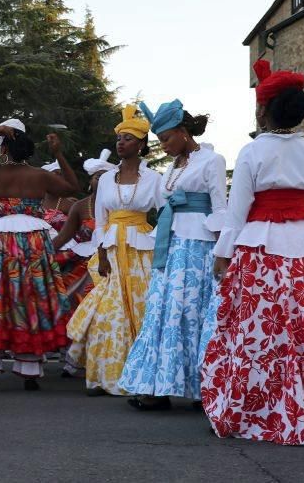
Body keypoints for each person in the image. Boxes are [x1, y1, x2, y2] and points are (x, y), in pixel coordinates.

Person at [201, 60, 304, 445]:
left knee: (262, 333)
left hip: (261, 252)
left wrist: (222, 256)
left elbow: (237, 213)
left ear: (262, 109)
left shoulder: (252, 152)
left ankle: (262, 409)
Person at [0, 118, 78, 391]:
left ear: (4, 148)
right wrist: (58, 153)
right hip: (34, 243)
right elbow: (72, 187)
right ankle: (30, 368)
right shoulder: (40, 176)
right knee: (29, 302)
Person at [116, 100, 227, 410]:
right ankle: (157, 387)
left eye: (166, 139)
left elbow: (220, 207)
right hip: (172, 243)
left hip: (199, 245)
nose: (163, 146)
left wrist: (223, 252)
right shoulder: (173, 167)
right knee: (163, 313)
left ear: (182, 131)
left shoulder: (212, 160)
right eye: (160, 140)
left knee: (193, 316)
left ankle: (201, 388)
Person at [65, 105, 162, 396]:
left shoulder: (154, 179)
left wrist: (155, 240)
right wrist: (103, 254)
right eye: (119, 138)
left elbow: (166, 213)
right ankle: (103, 374)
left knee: (142, 308)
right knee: (109, 311)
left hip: (141, 249)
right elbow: (100, 221)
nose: (121, 143)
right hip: (110, 250)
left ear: (141, 144)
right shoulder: (106, 179)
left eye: (128, 138)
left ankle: (140, 377)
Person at [52, 150, 116, 313]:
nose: (101, 181)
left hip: (113, 261)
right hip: (82, 264)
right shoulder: (79, 206)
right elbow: (64, 237)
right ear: (90, 181)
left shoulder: (120, 205)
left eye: (105, 177)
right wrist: (41, 251)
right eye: (97, 177)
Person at [41, 160, 77, 232]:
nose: (59, 177)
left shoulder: (69, 205)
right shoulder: (34, 202)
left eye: (62, 175)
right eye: (56, 173)